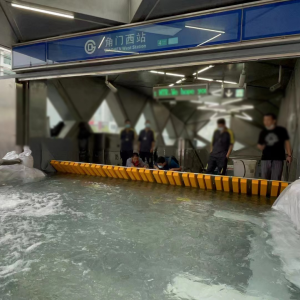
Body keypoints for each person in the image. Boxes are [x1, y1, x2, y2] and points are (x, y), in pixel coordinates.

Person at [257, 113, 292, 180]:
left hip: (278, 159)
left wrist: (289, 155)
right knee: (264, 179)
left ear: (274, 121)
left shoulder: (281, 130)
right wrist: (261, 146)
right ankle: (265, 191)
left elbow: (287, 143)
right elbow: (260, 145)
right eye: (264, 120)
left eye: (268, 120)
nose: (266, 122)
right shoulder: (263, 132)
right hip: (265, 158)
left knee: (276, 179)